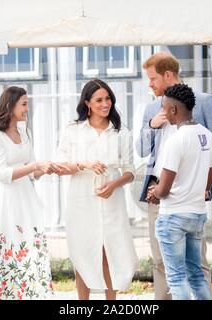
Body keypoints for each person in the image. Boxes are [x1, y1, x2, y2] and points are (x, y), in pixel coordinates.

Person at [136, 52, 212, 299]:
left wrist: (204, 179)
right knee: (159, 260)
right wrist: (151, 127)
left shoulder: (202, 101)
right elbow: (141, 150)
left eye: (153, 78)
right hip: (157, 190)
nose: (150, 84)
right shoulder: (151, 109)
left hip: (190, 192)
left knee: (195, 261)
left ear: (168, 75)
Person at [0, 86, 65, 300]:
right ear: (10, 105)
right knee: (2, 253)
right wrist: (35, 165)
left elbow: (32, 172)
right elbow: (2, 174)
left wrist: (45, 169)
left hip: (25, 200)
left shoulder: (24, 131)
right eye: (24, 103)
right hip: (2, 202)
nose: (28, 108)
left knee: (25, 251)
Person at [56, 79, 139, 300]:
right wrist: (84, 164)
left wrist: (114, 184)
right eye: (99, 100)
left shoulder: (121, 132)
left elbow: (130, 171)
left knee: (108, 251)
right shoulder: (73, 130)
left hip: (112, 199)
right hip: (81, 199)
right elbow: (60, 167)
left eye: (108, 98)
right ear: (87, 103)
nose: (105, 104)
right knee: (82, 251)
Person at [146, 83, 212, 300]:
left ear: (174, 110)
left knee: (176, 278)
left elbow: (165, 188)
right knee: (196, 274)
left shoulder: (175, 140)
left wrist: (154, 193)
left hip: (173, 216)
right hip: (197, 214)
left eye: (165, 108)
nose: (163, 112)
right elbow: (208, 181)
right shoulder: (208, 137)